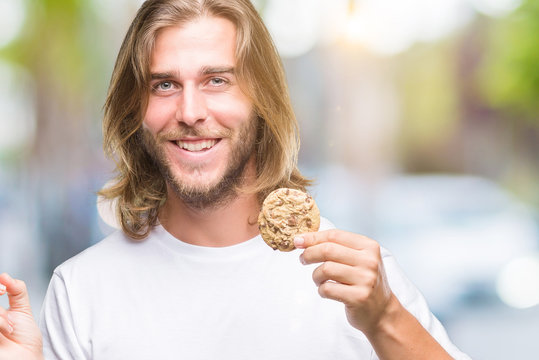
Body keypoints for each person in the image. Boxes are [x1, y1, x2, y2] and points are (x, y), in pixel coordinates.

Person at [0, 0, 471, 359]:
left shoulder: (360, 282)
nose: (189, 112)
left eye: (216, 80)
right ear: (135, 110)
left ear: (262, 100)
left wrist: (385, 318)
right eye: (164, 84)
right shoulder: (81, 290)